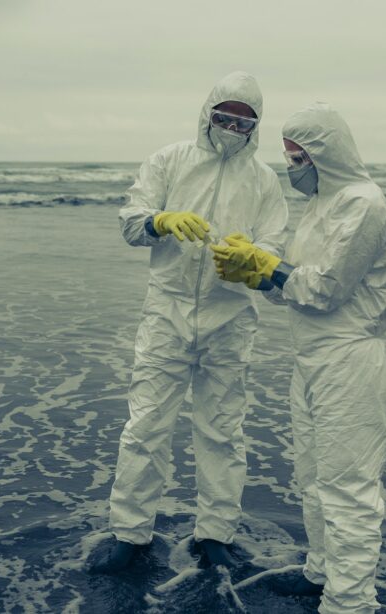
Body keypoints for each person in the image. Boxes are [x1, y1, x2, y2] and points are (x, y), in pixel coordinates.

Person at [94, 71, 288, 572]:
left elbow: (274, 245)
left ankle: (215, 533)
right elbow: (131, 220)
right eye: (224, 117)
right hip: (168, 311)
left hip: (231, 319)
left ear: (255, 128)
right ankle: (130, 533)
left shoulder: (264, 181)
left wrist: (254, 256)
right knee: (146, 426)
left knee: (223, 431)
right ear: (207, 114)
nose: (231, 128)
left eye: (243, 122)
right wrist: (160, 221)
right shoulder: (170, 160)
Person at [211, 102, 386, 613]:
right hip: (311, 360)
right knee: (313, 478)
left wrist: (267, 266)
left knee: (349, 489)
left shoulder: (364, 204)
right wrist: (257, 274)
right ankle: (322, 573)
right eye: (288, 157)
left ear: (326, 153)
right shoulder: (319, 206)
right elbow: (294, 285)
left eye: (299, 158)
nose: (293, 168)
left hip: (350, 362)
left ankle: (351, 603)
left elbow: (327, 290)